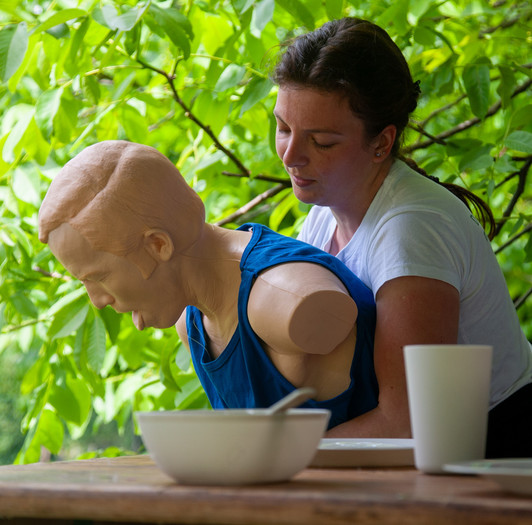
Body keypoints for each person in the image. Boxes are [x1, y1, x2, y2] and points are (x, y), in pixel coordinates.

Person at [272, 17, 532, 457]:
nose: (291, 155)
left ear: (381, 142)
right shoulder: (322, 215)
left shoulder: (412, 228)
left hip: (498, 454)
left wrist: (275, 450)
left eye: (322, 142)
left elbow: (406, 424)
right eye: (283, 128)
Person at [38, 140, 379, 430]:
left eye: (97, 277)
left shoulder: (288, 300)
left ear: (158, 245)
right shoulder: (192, 324)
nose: (96, 300)